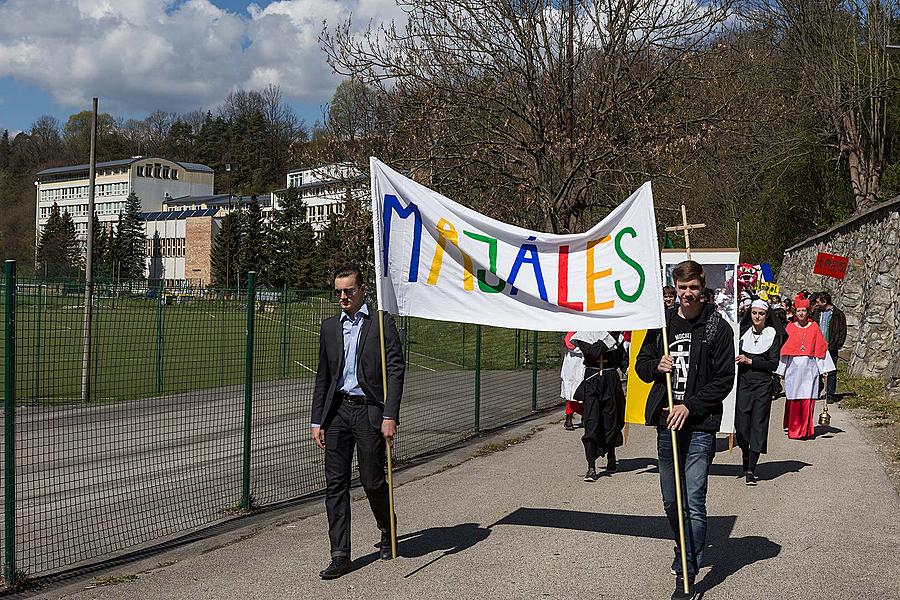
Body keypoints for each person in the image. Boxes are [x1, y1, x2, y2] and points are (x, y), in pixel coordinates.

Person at [635, 261, 735, 599]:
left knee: (693, 498)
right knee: (670, 499)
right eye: (682, 288)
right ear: (674, 289)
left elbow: (724, 380)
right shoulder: (662, 324)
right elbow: (641, 365)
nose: (688, 294)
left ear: (702, 287)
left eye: (693, 287)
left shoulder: (717, 328)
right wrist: (655, 364)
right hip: (667, 424)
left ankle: (688, 570)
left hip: (700, 425)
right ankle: (684, 549)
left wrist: (689, 406)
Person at [311, 264, 405, 579]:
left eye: (348, 290)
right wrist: (317, 420)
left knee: (372, 480)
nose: (343, 297)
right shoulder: (329, 328)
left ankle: (386, 526)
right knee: (335, 484)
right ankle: (340, 555)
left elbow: (395, 369)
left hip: (369, 412)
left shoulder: (380, 323)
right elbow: (323, 377)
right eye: (338, 291)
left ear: (362, 289)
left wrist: (390, 415)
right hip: (337, 413)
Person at [735, 299, 785, 486]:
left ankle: (751, 469)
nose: (757, 316)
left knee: (758, 425)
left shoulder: (772, 335)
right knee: (741, 427)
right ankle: (745, 455)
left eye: (761, 313)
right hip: (744, 384)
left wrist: (751, 361)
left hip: (763, 385)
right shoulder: (742, 332)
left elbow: (773, 364)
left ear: (766, 316)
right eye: (754, 313)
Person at [571, 331, 628, 481]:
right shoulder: (584, 334)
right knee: (592, 422)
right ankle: (591, 467)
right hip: (592, 380)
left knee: (612, 421)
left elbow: (622, 358)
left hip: (610, 379)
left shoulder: (616, 335)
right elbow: (592, 353)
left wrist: (627, 369)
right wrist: (607, 339)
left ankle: (611, 453)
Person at [776, 297, 834, 440]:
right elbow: (784, 351)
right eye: (799, 310)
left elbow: (820, 350)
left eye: (804, 311)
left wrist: (824, 369)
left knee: (807, 398)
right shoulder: (790, 327)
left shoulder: (814, 327)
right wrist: (780, 370)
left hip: (810, 369)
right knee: (794, 398)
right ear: (795, 311)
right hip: (793, 370)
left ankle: (806, 430)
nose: (801, 313)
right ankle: (795, 430)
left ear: (808, 312)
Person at [814, 292, 847, 404]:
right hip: (817, 345)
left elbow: (842, 330)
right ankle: (816, 390)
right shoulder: (817, 312)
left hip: (831, 346)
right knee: (816, 369)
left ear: (824, 301)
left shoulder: (838, 314)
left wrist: (838, 344)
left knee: (831, 371)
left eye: (818, 301)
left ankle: (830, 394)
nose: (816, 303)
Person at [560, 331, 585, 430]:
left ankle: (571, 418)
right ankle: (576, 417)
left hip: (575, 362)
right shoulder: (576, 330)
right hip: (576, 363)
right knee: (576, 392)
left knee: (576, 392)